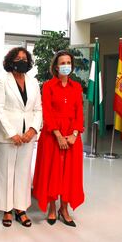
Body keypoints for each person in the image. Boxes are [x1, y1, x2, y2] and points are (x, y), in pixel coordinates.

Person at [32, 50, 84, 227]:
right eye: (62, 63)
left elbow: (79, 112)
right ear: (55, 66)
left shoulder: (76, 87)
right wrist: (58, 135)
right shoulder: (47, 86)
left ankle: (64, 208)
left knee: (69, 173)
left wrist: (75, 134)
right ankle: (52, 208)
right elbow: (46, 111)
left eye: (68, 62)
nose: (66, 66)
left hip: (72, 136)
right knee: (51, 172)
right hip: (52, 135)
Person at [0, 47, 42, 228]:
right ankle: (7, 209)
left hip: (27, 136)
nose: (21, 60)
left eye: (24, 58)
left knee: (23, 173)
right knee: (6, 173)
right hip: (8, 136)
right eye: (18, 58)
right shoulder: (2, 80)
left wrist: (32, 130)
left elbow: (38, 109)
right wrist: (11, 133)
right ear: (10, 61)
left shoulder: (34, 82)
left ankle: (21, 209)